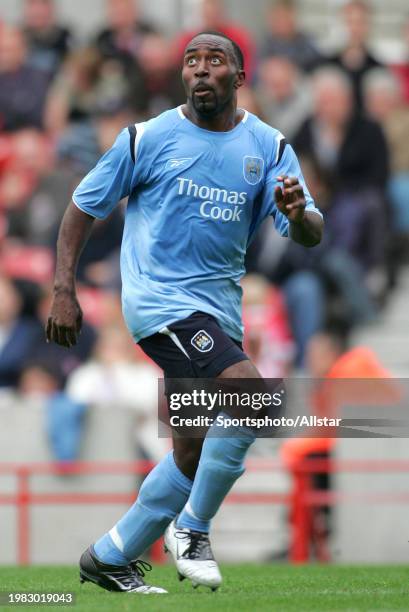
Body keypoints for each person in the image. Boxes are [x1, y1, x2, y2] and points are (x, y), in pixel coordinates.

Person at [46, 31, 323, 594]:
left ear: (239, 78)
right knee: (251, 396)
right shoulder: (146, 138)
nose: (200, 70)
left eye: (215, 61)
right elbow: (81, 206)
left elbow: (310, 233)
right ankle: (192, 529)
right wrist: (63, 289)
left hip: (219, 312)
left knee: (191, 457)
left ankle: (109, 556)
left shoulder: (269, 149)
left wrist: (298, 214)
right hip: (158, 304)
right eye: (192, 61)